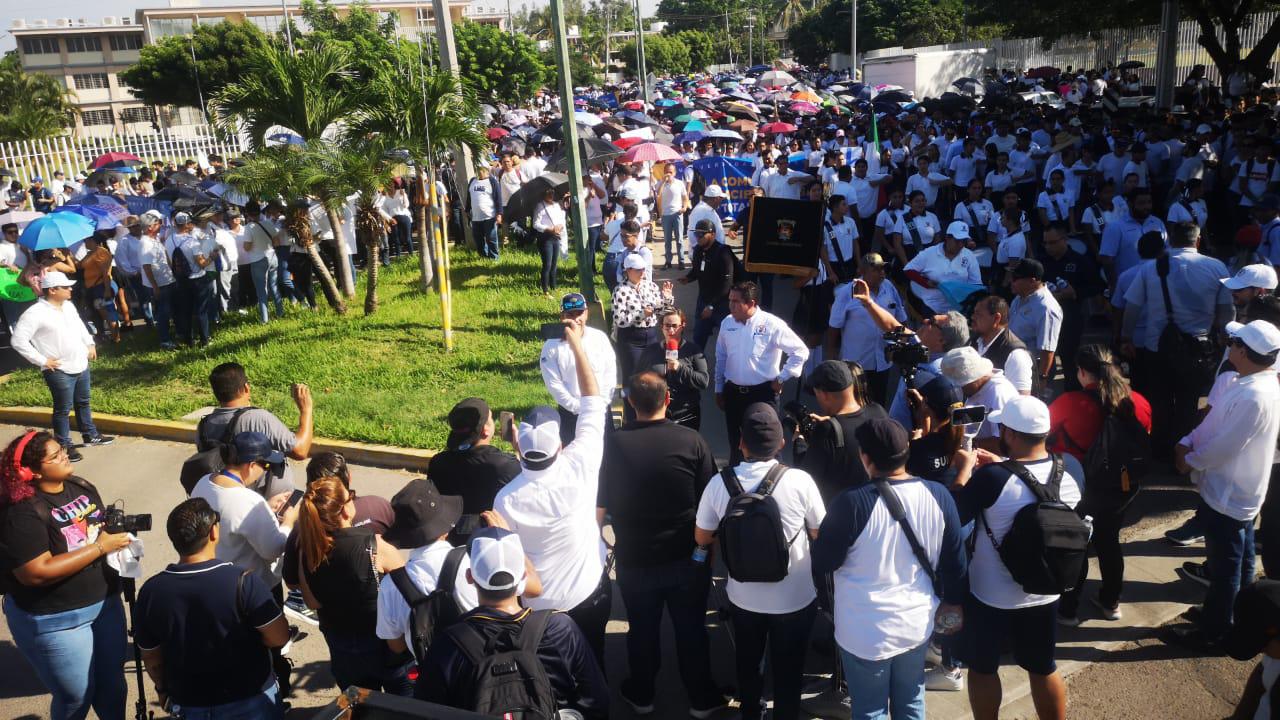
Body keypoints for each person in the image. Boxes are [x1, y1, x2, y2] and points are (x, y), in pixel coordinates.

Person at [811, 417, 968, 720]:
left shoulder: (851, 503)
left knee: (870, 709)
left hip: (864, 631)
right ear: (906, 450)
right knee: (911, 701)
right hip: (917, 623)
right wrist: (954, 603)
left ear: (865, 456)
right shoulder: (939, 495)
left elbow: (824, 562)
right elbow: (956, 564)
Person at [599, 371, 726, 717]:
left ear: (629, 403)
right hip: (687, 560)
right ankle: (701, 697)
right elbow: (710, 503)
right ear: (668, 400)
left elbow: (602, 504)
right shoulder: (692, 442)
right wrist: (709, 551)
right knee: (691, 630)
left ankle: (642, 694)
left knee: (641, 631)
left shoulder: (614, 445)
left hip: (634, 560)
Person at [953, 396, 1083, 720]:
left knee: (983, 668)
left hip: (991, 594)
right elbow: (1031, 487)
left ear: (1010, 434)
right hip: (1046, 588)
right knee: (1043, 666)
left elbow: (953, 517)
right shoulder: (1071, 470)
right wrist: (1003, 466)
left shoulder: (991, 479)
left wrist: (964, 472)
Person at [694, 403, 826, 720]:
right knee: (789, 666)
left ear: (741, 443)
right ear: (781, 443)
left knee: (748, 662)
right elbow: (820, 532)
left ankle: (751, 711)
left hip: (744, 597)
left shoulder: (719, 484)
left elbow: (702, 537)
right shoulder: (800, 481)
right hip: (795, 597)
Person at [498, 316, 613, 668]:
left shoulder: (506, 499)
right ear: (560, 446)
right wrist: (577, 344)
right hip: (588, 595)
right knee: (593, 666)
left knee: (549, 676)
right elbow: (593, 399)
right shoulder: (581, 464)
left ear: (518, 449)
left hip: (538, 610)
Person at [0, 430, 131, 720]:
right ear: (31, 471)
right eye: (55, 456)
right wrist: (99, 547)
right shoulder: (21, 512)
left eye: (62, 449)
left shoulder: (79, 485)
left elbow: (98, 527)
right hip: (57, 621)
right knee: (76, 697)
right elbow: (35, 572)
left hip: (106, 605)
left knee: (113, 687)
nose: (64, 456)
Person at [1166, 320, 1280, 652]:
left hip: (1228, 495)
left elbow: (1224, 446)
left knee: (1225, 569)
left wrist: (1191, 459)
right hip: (1244, 491)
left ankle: (1214, 632)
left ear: (1244, 351)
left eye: (1234, 342)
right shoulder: (1262, 384)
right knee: (1241, 561)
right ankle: (1235, 616)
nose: (1228, 346)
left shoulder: (1252, 394)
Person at [414, 527, 609, 719]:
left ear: (470, 577)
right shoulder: (560, 629)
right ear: (524, 575)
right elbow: (597, 701)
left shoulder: (449, 644)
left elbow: (427, 709)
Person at [135, 498, 290, 719]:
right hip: (250, 698)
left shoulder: (151, 591)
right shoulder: (244, 581)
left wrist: (162, 689)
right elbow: (279, 637)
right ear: (213, 533)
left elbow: (151, 656)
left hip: (188, 703)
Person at [1049, 345, 1152, 625]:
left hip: (1079, 486)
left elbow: (1046, 434)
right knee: (1109, 542)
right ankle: (1111, 602)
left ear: (1082, 373)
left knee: (1076, 546)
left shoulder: (1068, 403)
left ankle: (1068, 609)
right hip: (1120, 487)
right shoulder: (1139, 402)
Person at [1121, 223, 1231, 460]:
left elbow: (1133, 307)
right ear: (1198, 241)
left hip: (1157, 346)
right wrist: (1224, 335)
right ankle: (1182, 453)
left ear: (1170, 240)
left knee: (1158, 399)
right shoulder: (1217, 267)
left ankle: (1159, 450)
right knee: (1189, 401)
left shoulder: (1150, 269)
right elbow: (1226, 310)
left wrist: (1126, 337)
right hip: (1199, 348)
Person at [294, 476, 413, 694]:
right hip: (384, 643)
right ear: (346, 510)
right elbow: (409, 590)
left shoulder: (308, 550)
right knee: (402, 702)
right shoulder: (374, 546)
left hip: (343, 647)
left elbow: (312, 602)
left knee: (359, 707)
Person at [10, 271, 113, 463]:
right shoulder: (35, 313)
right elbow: (18, 340)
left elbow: (80, 326)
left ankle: (90, 435)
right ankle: (65, 445)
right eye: (65, 287)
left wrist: (90, 344)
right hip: (59, 370)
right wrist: (41, 360)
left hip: (80, 363)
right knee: (63, 409)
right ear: (53, 290)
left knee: (83, 402)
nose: (70, 289)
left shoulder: (68, 306)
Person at [376, 479, 484, 661]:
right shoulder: (471, 561)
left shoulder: (390, 585)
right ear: (445, 528)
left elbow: (396, 646)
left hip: (431, 676)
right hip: (477, 667)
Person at [715, 281, 809, 464]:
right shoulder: (727, 323)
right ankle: (736, 487)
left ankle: (772, 488)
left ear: (751, 303)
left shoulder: (772, 324)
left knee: (767, 446)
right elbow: (721, 357)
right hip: (733, 394)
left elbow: (800, 351)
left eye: (736, 301)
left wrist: (782, 377)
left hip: (763, 394)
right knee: (736, 445)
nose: (731, 305)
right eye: (730, 300)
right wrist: (719, 389)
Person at [191, 432, 298, 588]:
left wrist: (265, 509)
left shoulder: (203, 482)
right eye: (266, 465)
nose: (266, 470)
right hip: (247, 589)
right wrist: (289, 521)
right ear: (252, 465)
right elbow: (273, 549)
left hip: (213, 580)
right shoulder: (249, 502)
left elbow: (233, 516)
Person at [201, 362, 312, 501]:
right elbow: (301, 450)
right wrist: (306, 410)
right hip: (267, 505)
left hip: (224, 499)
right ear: (246, 388)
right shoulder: (257, 418)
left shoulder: (204, 425)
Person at [427, 397, 521, 535]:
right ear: (485, 430)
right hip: (490, 538)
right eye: (491, 418)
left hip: (449, 538)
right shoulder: (504, 465)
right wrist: (519, 447)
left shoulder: (437, 462)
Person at [798, 359, 889, 501]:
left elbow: (805, 479)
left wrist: (800, 441)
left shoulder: (828, 431)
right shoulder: (878, 411)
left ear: (824, 394)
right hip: (877, 505)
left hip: (841, 511)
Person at [539, 292, 617, 443]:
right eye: (570, 314)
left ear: (586, 313)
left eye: (580, 313)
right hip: (571, 414)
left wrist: (601, 403)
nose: (576, 319)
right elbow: (554, 384)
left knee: (608, 457)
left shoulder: (599, 338)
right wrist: (578, 408)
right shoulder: (551, 346)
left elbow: (610, 372)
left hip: (601, 410)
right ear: (562, 316)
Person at [1040, 223, 1103, 391]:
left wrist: (1074, 293)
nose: (1048, 247)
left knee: (1069, 361)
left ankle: (1072, 396)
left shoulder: (1079, 260)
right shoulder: (1042, 262)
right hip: (1044, 321)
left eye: (1052, 242)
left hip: (1070, 319)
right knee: (1045, 362)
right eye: (1045, 243)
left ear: (1064, 240)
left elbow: (1096, 286)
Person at [635, 307, 709, 429]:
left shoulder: (694, 351)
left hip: (686, 414)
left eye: (675, 326)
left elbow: (703, 381)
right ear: (661, 327)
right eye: (667, 326)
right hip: (657, 415)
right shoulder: (650, 351)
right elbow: (637, 379)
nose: (671, 330)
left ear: (683, 326)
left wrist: (680, 368)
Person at [940, 346, 1020, 452]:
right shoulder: (976, 390)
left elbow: (1005, 444)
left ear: (974, 378)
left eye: (961, 384)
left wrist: (969, 443)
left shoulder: (999, 393)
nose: (960, 389)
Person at [1007, 259, 1064, 394]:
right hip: (1015, 363)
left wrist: (1042, 378)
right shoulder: (1020, 298)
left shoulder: (1046, 308)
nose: (1011, 281)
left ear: (1032, 281)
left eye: (1016, 278)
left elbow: (1047, 349)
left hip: (1034, 369)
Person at [681, 218, 737, 351]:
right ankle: (698, 368)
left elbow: (727, 283)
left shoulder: (723, 252)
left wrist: (711, 306)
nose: (698, 237)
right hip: (703, 301)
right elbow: (697, 271)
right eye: (696, 234)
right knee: (698, 340)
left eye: (701, 234)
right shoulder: (698, 251)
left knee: (728, 343)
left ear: (712, 234)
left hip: (722, 304)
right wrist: (688, 278)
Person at [612, 254, 667, 390]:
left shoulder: (651, 286)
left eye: (643, 269)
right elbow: (619, 320)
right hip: (630, 338)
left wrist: (667, 299)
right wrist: (641, 315)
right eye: (638, 270)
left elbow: (661, 311)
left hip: (651, 335)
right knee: (632, 376)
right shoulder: (620, 291)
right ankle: (631, 409)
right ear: (628, 270)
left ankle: (650, 407)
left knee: (653, 373)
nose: (642, 272)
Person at [903, 221, 981, 315]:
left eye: (964, 241)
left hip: (958, 308)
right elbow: (908, 270)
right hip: (932, 306)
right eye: (957, 241)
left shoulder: (969, 256)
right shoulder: (930, 253)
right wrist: (926, 282)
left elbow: (976, 284)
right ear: (947, 238)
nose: (961, 245)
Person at [168, 211, 218, 347]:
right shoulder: (192, 242)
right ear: (186, 225)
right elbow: (202, 263)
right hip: (197, 279)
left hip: (180, 280)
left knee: (186, 310)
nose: (191, 225)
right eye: (190, 222)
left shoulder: (168, 240)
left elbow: (170, 262)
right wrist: (212, 257)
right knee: (201, 311)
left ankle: (189, 340)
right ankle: (205, 340)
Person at [970, 295, 1034, 395]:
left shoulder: (1015, 355)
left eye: (978, 314)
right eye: (974, 313)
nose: (972, 317)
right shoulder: (974, 343)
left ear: (996, 318)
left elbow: (1022, 400)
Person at [137, 211, 177, 349]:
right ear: (149, 227)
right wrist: (155, 287)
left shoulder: (155, 239)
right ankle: (164, 340)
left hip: (167, 279)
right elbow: (147, 267)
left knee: (169, 310)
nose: (160, 225)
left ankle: (170, 335)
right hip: (159, 284)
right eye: (157, 223)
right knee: (163, 312)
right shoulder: (145, 243)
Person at [240, 204, 284, 323]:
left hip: (257, 260)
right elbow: (276, 242)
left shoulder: (249, 227)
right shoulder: (268, 223)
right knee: (274, 286)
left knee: (261, 290)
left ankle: (264, 318)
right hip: (272, 257)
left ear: (247, 214)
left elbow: (247, 247)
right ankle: (280, 312)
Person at [656, 163, 691, 269]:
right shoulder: (660, 183)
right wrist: (663, 181)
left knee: (679, 239)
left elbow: (685, 197)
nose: (668, 174)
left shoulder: (680, 183)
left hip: (677, 213)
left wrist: (684, 207)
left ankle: (681, 261)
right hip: (666, 215)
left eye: (670, 172)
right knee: (667, 240)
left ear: (675, 173)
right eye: (666, 171)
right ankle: (668, 261)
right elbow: (658, 195)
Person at [532, 187, 566, 296]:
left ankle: (554, 287)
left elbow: (561, 219)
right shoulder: (539, 206)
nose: (551, 195)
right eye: (548, 193)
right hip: (545, 238)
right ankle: (545, 291)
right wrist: (549, 229)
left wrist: (559, 227)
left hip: (556, 236)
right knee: (547, 264)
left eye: (552, 192)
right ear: (544, 194)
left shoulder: (556, 205)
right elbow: (535, 224)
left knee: (554, 264)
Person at [467, 165, 502, 260]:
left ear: (487, 172)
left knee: (491, 238)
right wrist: (467, 210)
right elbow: (469, 197)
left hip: (489, 215)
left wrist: (499, 214)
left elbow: (498, 199)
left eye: (482, 171)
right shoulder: (472, 181)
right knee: (478, 238)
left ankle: (494, 257)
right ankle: (483, 255)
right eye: (478, 171)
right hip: (475, 217)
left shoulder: (492, 182)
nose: (479, 172)